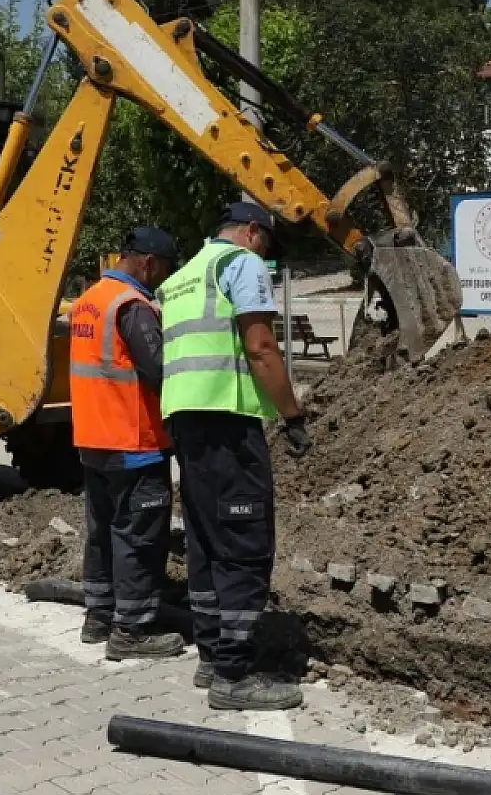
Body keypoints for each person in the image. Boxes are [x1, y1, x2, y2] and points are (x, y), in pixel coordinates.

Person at [159, 202, 313, 711]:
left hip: (187, 422)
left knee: (206, 541)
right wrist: (291, 415)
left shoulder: (182, 276)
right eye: (265, 243)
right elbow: (261, 345)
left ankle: (211, 655)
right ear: (251, 232)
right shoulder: (240, 263)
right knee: (244, 543)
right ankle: (233, 674)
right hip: (227, 420)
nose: (264, 254)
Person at [67, 226, 188, 661]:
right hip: (133, 442)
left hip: (94, 440)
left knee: (102, 533)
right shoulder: (132, 306)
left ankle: (99, 616)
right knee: (139, 536)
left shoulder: (89, 300)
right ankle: (132, 631)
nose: (162, 279)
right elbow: (159, 371)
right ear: (148, 263)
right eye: (164, 270)